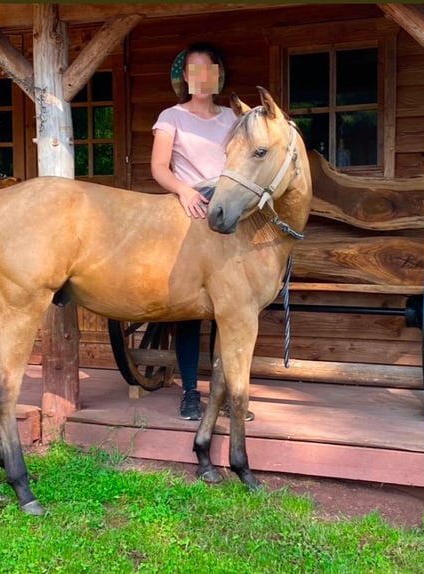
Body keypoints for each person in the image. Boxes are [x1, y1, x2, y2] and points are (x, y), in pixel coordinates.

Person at [151, 41, 254, 422]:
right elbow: (160, 167)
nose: (201, 77)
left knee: (230, 309)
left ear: (218, 75)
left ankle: (225, 394)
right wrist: (185, 190)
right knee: (191, 312)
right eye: (193, 70)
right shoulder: (171, 116)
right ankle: (191, 393)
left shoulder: (231, 118)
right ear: (184, 77)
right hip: (191, 210)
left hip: (228, 212)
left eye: (208, 69)